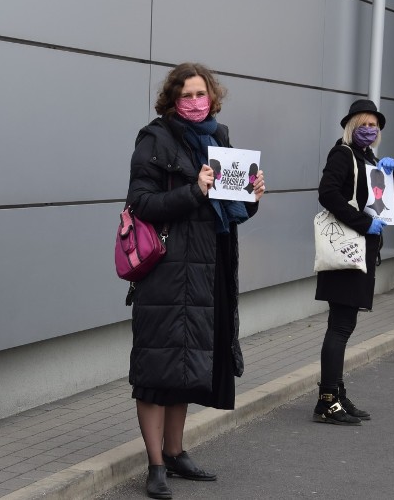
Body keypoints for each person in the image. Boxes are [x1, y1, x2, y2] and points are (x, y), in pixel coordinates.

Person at [126, 63, 264, 499]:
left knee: (186, 364)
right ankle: (155, 465)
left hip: (207, 270)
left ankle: (177, 451)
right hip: (166, 272)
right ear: (171, 99)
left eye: (201, 93)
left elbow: (227, 210)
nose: (194, 101)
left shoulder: (218, 138)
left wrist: (252, 197)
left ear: (213, 97)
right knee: (155, 368)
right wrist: (193, 191)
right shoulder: (155, 138)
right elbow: (141, 203)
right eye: (185, 94)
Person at [313, 99, 394, 425]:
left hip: (361, 252)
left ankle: (335, 393)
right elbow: (327, 193)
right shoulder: (343, 154)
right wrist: (364, 223)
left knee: (342, 325)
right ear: (352, 126)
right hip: (347, 251)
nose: (370, 130)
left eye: (374, 125)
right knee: (340, 326)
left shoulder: (370, 159)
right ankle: (327, 400)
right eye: (363, 124)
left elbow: (387, 206)